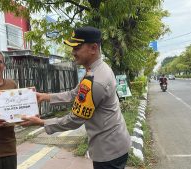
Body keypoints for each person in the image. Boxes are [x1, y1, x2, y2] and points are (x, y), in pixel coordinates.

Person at [21, 26, 131, 169]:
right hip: (112, 143)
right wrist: (44, 97)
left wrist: (41, 122)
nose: (73, 52)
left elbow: (75, 119)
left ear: (93, 48)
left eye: (77, 48)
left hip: (109, 151)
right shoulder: (96, 70)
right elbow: (75, 94)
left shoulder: (96, 80)